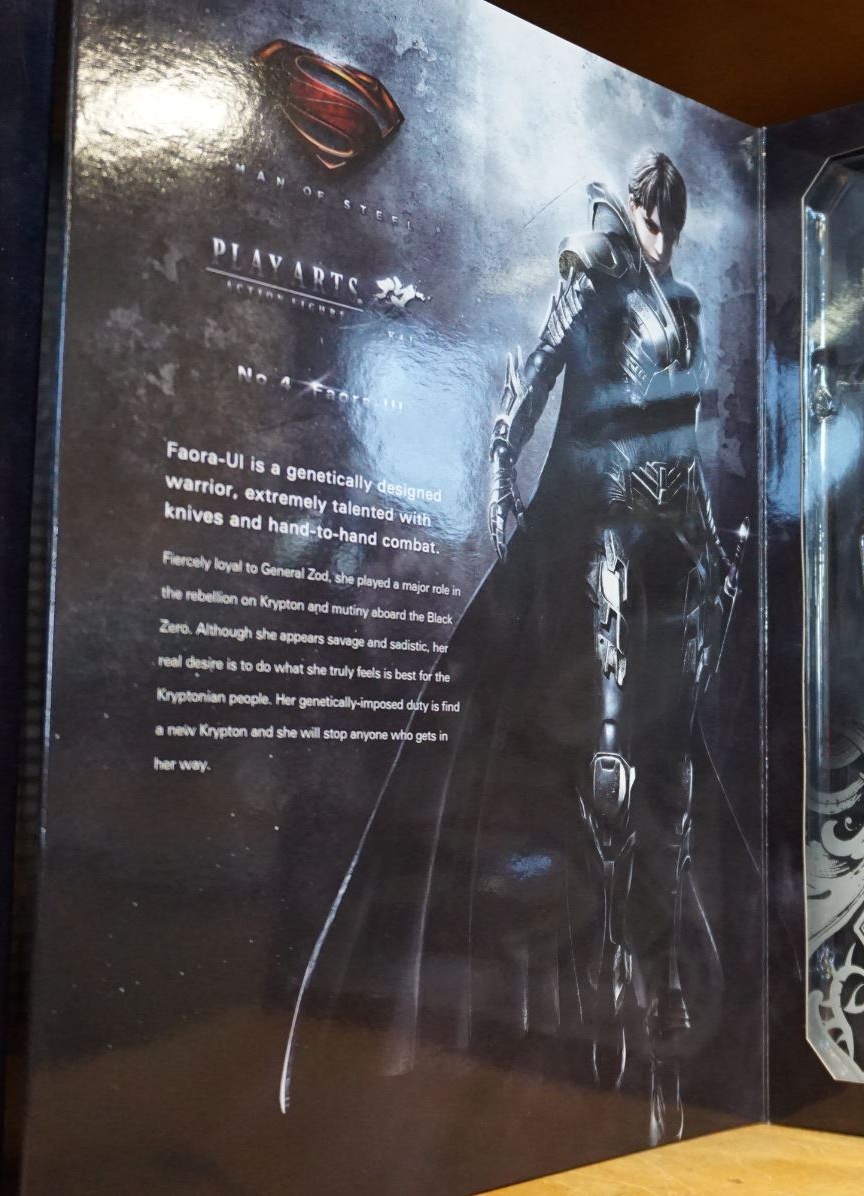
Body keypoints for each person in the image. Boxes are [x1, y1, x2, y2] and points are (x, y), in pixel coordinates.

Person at [281, 150, 735, 1146]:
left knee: (664, 764)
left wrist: (705, 541)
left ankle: (649, 988)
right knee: (588, 753)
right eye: (653, 210)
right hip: (585, 530)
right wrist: (498, 472)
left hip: (657, 546)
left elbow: (680, 441)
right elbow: (534, 376)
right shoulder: (593, 261)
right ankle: (573, 994)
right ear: (639, 205)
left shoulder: (682, 306)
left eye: (670, 215)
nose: (661, 228)